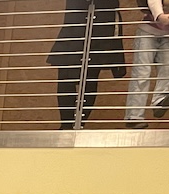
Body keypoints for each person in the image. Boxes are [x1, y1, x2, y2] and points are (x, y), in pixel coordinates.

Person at [47, 0, 127, 128]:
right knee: (65, 75)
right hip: (76, 22)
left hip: (101, 23)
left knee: (90, 76)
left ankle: (78, 124)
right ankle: (66, 125)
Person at [123, 0, 169, 128]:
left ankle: (159, 99)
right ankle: (133, 116)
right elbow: (153, 2)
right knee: (142, 73)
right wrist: (161, 16)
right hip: (147, 32)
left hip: (165, 36)